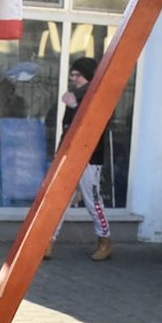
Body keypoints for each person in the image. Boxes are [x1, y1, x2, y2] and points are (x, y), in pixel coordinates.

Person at [50, 56, 112, 262]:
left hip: (89, 157)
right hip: (70, 154)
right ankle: (47, 240)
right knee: (59, 199)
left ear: (87, 76)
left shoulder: (99, 96)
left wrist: (75, 106)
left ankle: (104, 240)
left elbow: (92, 124)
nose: (74, 79)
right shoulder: (76, 95)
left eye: (78, 75)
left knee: (92, 200)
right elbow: (67, 128)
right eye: (73, 75)